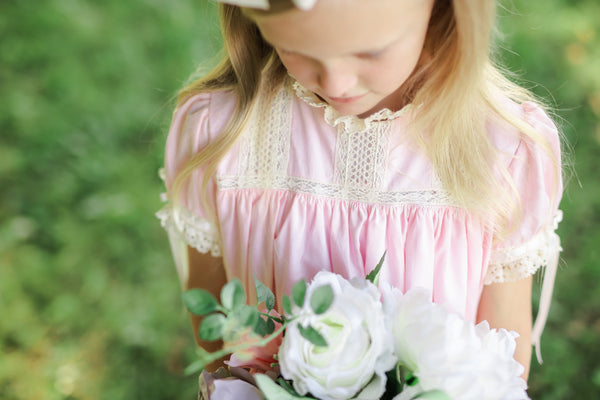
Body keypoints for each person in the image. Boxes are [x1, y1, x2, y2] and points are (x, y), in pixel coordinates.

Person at [157, 0, 563, 381]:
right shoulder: (220, 135)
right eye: (295, 48)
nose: (336, 81)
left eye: (371, 52)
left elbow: (503, 357)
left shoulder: (502, 151)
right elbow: (215, 325)